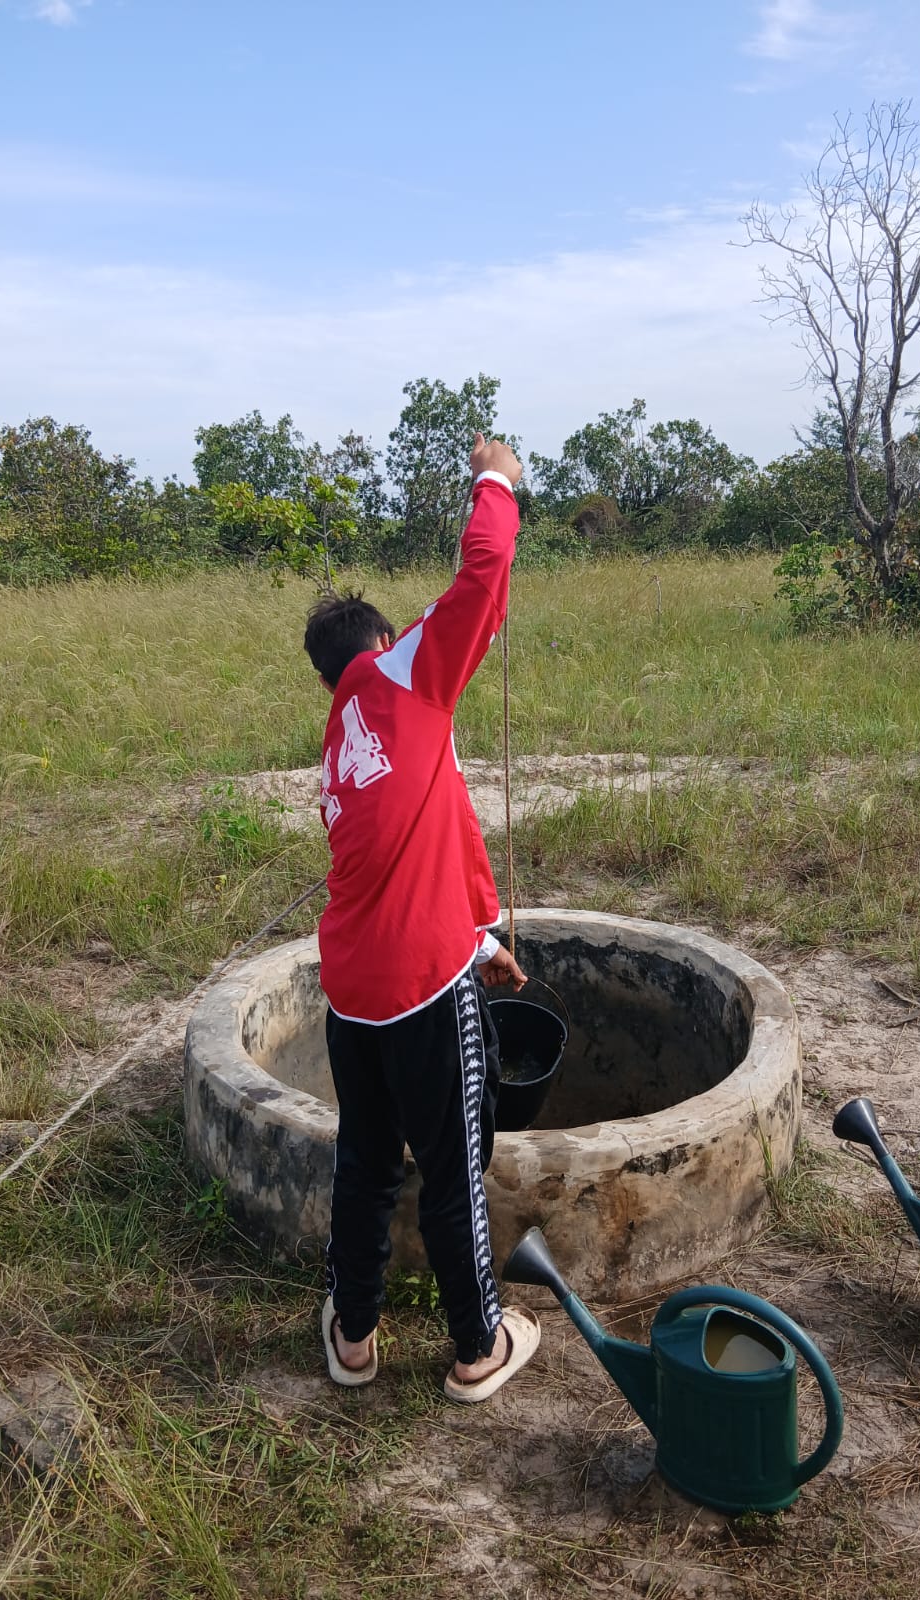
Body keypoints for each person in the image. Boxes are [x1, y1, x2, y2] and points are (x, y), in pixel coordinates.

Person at [303, 432, 541, 1403]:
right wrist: (497, 478)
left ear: (327, 677)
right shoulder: (406, 677)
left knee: (364, 1161)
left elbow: (422, 836)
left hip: (354, 992)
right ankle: (479, 1347)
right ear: (385, 639)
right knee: (454, 1166)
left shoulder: (340, 736)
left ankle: (352, 1338)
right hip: (418, 991)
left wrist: (478, 934)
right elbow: (484, 571)